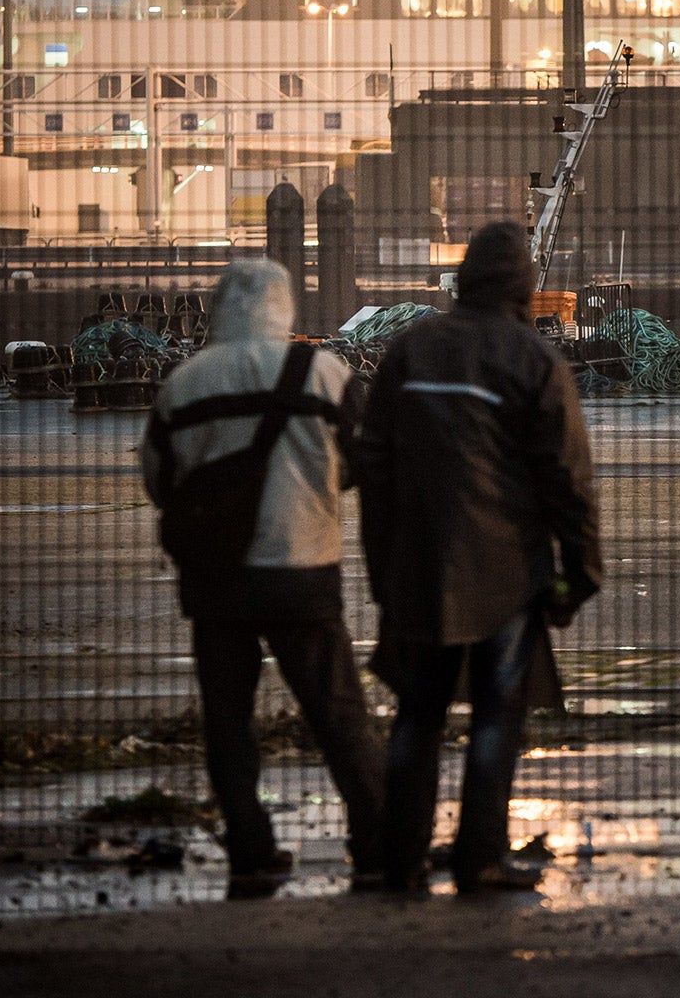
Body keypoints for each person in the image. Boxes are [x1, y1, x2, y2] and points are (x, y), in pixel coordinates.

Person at [353, 219, 600, 894]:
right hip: (506, 572)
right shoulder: (533, 360)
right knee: (497, 716)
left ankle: (398, 861)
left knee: (418, 716)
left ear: (463, 278)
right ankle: (479, 857)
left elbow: (372, 465)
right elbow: (566, 479)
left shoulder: (410, 349)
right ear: (524, 283)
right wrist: (581, 573)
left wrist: (385, 567)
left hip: (419, 566)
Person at [140, 258, 384, 899]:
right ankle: (377, 845)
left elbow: (162, 483)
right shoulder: (325, 372)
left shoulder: (183, 384)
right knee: (338, 715)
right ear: (286, 304)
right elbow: (364, 463)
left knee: (228, 721)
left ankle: (250, 850)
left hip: (217, 582)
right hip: (302, 570)